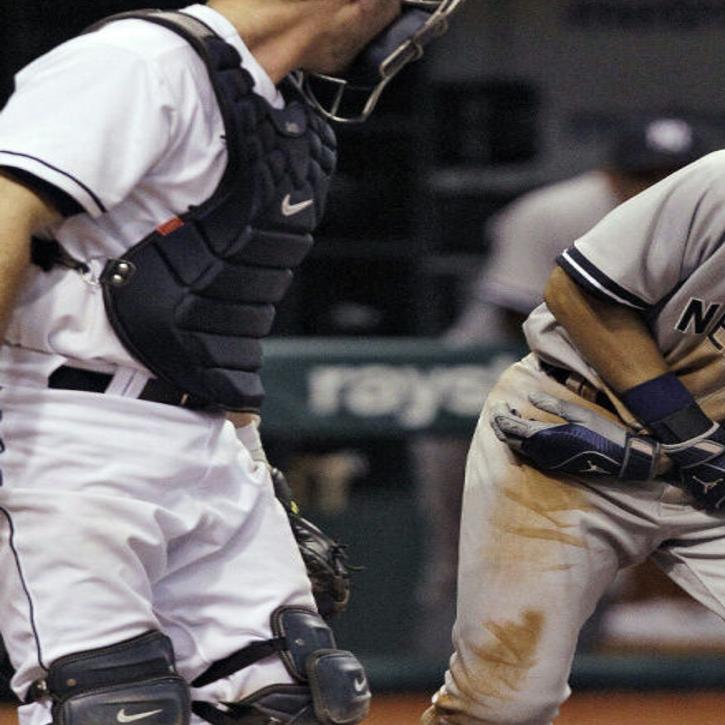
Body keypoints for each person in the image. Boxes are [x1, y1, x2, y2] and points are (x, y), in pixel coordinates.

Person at [0, 2, 465, 724]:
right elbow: (4, 215)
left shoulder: (277, 107)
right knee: (114, 706)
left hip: (202, 434)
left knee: (290, 696)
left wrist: (254, 471)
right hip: (65, 431)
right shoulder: (140, 62)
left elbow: (209, 324)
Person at [422, 141, 725, 723]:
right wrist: (683, 432)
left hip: (705, 463)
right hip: (572, 430)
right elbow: (580, 294)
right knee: (502, 708)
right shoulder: (715, 185)